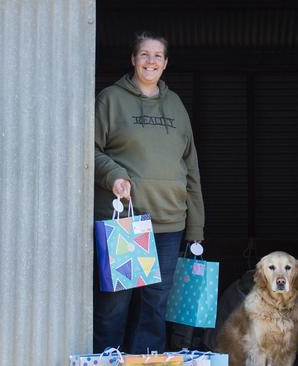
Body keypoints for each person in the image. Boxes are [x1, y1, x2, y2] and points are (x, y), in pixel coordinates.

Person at [93, 31, 205, 354]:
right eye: (144, 54)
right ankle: (107, 360)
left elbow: (192, 168)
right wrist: (113, 175)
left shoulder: (176, 106)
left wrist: (196, 228)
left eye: (158, 56)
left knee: (154, 309)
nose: (150, 61)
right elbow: (90, 150)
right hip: (128, 222)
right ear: (133, 59)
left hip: (169, 224)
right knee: (114, 307)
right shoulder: (111, 100)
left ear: (166, 63)